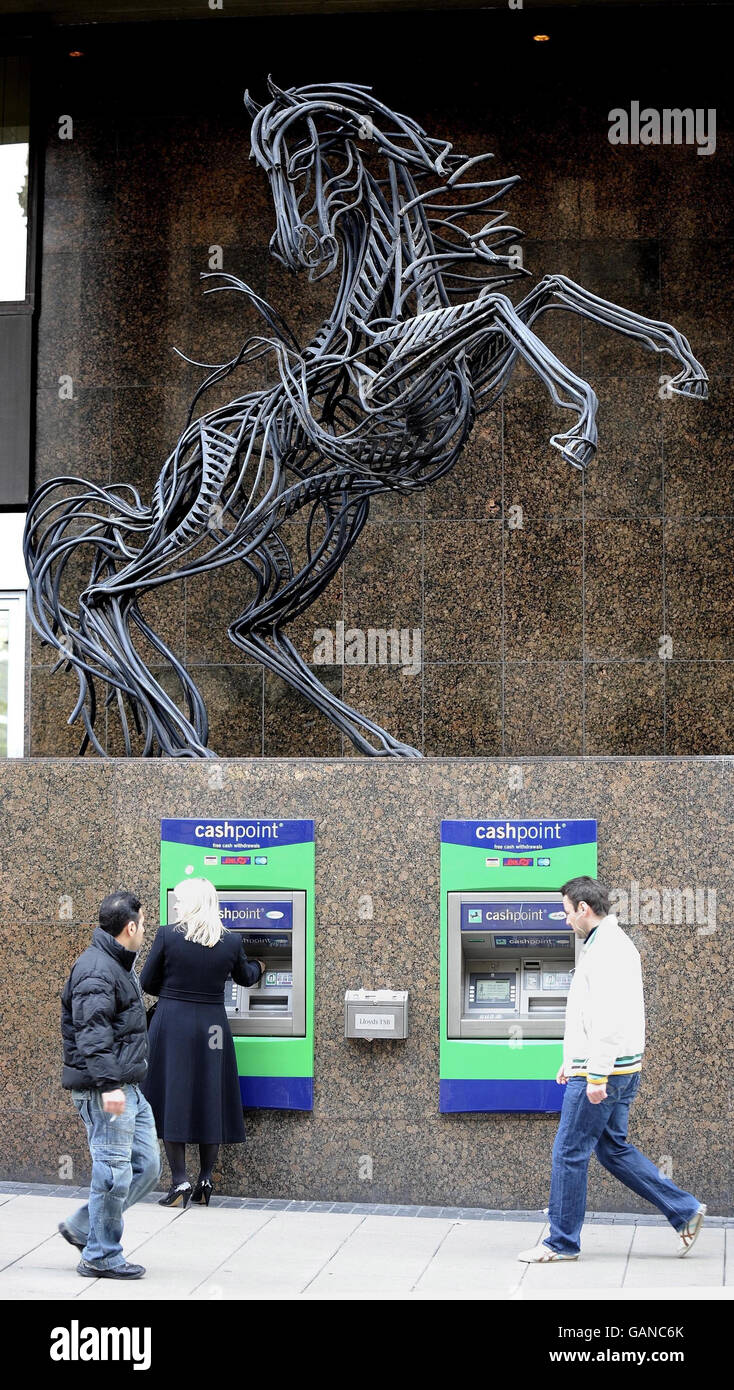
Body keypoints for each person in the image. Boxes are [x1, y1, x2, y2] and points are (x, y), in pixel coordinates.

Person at [518, 875, 706, 1263]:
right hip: (615, 1067)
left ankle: (561, 1242)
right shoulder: (608, 945)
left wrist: (596, 1074)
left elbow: (609, 1019)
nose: (566, 919)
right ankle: (684, 1210)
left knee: (569, 1152)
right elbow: (593, 1016)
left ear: (584, 909)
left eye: (568, 912)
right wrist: (573, 1062)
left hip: (606, 1072)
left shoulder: (607, 951)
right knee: (612, 1149)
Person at [140, 877, 265, 1207]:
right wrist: (261, 964)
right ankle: (205, 1179)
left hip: (173, 1024)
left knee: (174, 1096)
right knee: (211, 1095)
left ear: (193, 902)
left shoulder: (168, 935)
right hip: (212, 1026)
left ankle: (179, 1180)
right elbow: (246, 977)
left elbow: (147, 982)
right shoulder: (230, 941)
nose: (177, 906)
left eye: (180, 900)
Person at [58, 891, 161, 1280]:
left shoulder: (118, 964)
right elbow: (92, 1034)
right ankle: (101, 1254)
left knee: (146, 1168)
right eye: (143, 924)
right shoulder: (96, 970)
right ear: (130, 927)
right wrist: (110, 1086)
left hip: (128, 1086)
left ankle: (85, 1226)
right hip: (109, 1089)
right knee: (113, 1172)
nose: (145, 931)